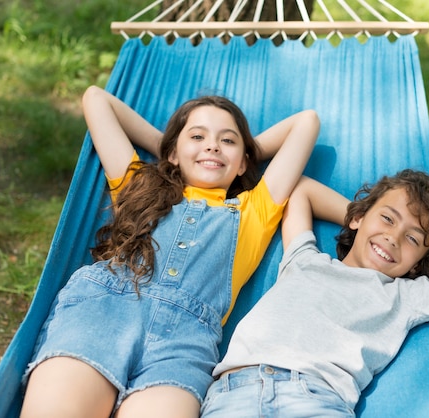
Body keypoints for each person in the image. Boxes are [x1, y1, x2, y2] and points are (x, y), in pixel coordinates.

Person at [19, 86, 320, 418]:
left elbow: (306, 123)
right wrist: (169, 149)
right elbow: (95, 98)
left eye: (228, 140)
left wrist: (232, 154)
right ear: (174, 153)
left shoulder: (255, 210)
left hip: (181, 348)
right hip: (99, 315)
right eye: (197, 136)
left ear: (243, 162)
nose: (212, 145)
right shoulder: (138, 186)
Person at [200, 169, 429, 418]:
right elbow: (301, 189)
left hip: (315, 399)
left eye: (412, 238)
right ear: (358, 217)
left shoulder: (408, 296)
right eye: (387, 219)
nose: (393, 238)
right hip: (235, 392)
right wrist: (361, 215)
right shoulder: (303, 258)